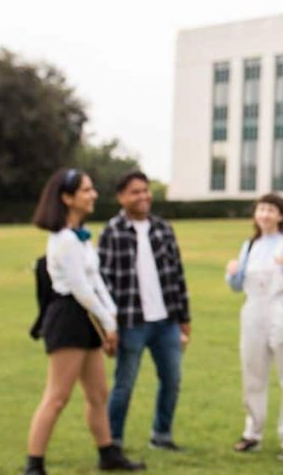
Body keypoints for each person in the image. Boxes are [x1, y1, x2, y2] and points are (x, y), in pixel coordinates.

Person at [25, 168, 146, 474]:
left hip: (87, 315)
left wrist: (113, 315)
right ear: (67, 198)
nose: (93, 195)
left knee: (98, 394)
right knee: (57, 396)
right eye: (86, 190)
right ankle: (34, 465)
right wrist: (108, 323)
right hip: (69, 318)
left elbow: (96, 280)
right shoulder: (65, 240)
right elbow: (80, 289)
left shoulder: (81, 238)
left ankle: (108, 455)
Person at [98, 171, 191, 451]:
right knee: (124, 385)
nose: (143, 196)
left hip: (166, 321)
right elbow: (103, 282)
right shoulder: (112, 231)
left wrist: (184, 319)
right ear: (122, 197)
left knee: (172, 380)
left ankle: (161, 435)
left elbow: (177, 275)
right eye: (135, 192)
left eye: (145, 190)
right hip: (131, 322)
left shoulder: (163, 228)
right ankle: (113, 440)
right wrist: (108, 327)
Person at [225, 193, 283, 459]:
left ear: (280, 215)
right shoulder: (250, 245)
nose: (265, 214)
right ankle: (252, 432)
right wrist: (231, 272)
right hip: (254, 310)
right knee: (252, 373)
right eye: (261, 209)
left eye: (271, 210)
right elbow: (236, 285)